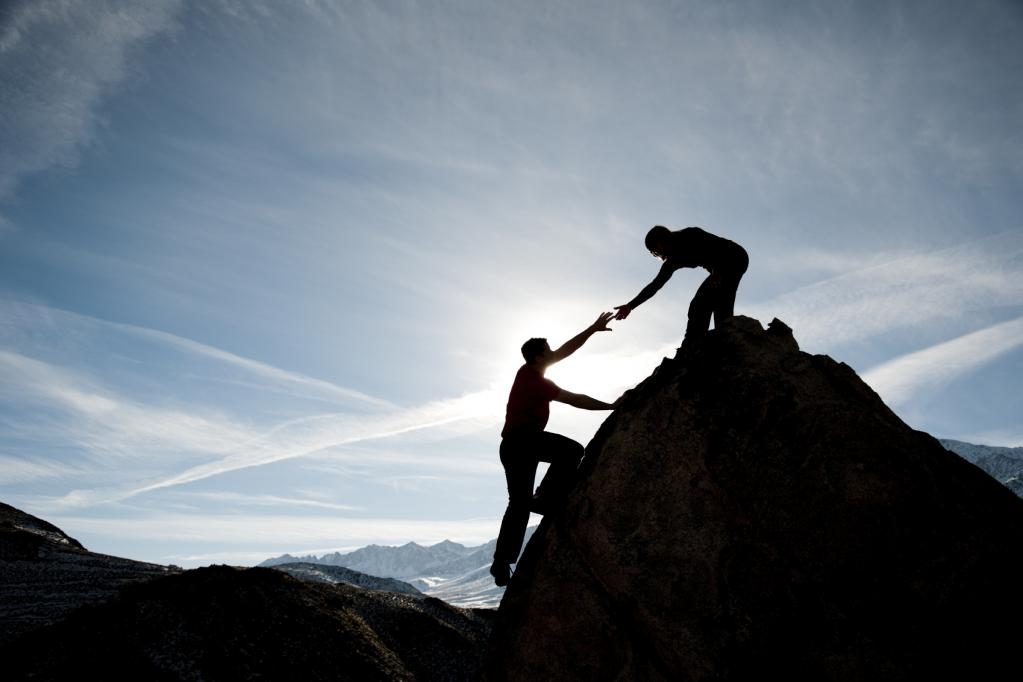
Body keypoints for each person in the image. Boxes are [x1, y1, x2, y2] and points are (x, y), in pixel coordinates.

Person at [490, 312, 619, 587]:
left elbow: (565, 350)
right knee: (572, 450)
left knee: (519, 503)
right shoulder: (535, 382)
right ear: (538, 357)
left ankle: (501, 562)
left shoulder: (529, 371)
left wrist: (593, 329)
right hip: (522, 442)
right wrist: (610, 406)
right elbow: (574, 400)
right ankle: (545, 498)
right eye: (547, 351)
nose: (552, 353)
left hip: (513, 445)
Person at [614, 225, 749, 341]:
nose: (657, 254)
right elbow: (655, 285)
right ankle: (716, 339)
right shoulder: (672, 261)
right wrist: (630, 306)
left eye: (655, 250)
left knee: (701, 304)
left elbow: (715, 249)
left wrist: (717, 272)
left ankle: (695, 344)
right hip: (722, 268)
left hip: (733, 257)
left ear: (661, 242)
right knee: (715, 303)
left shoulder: (689, 235)